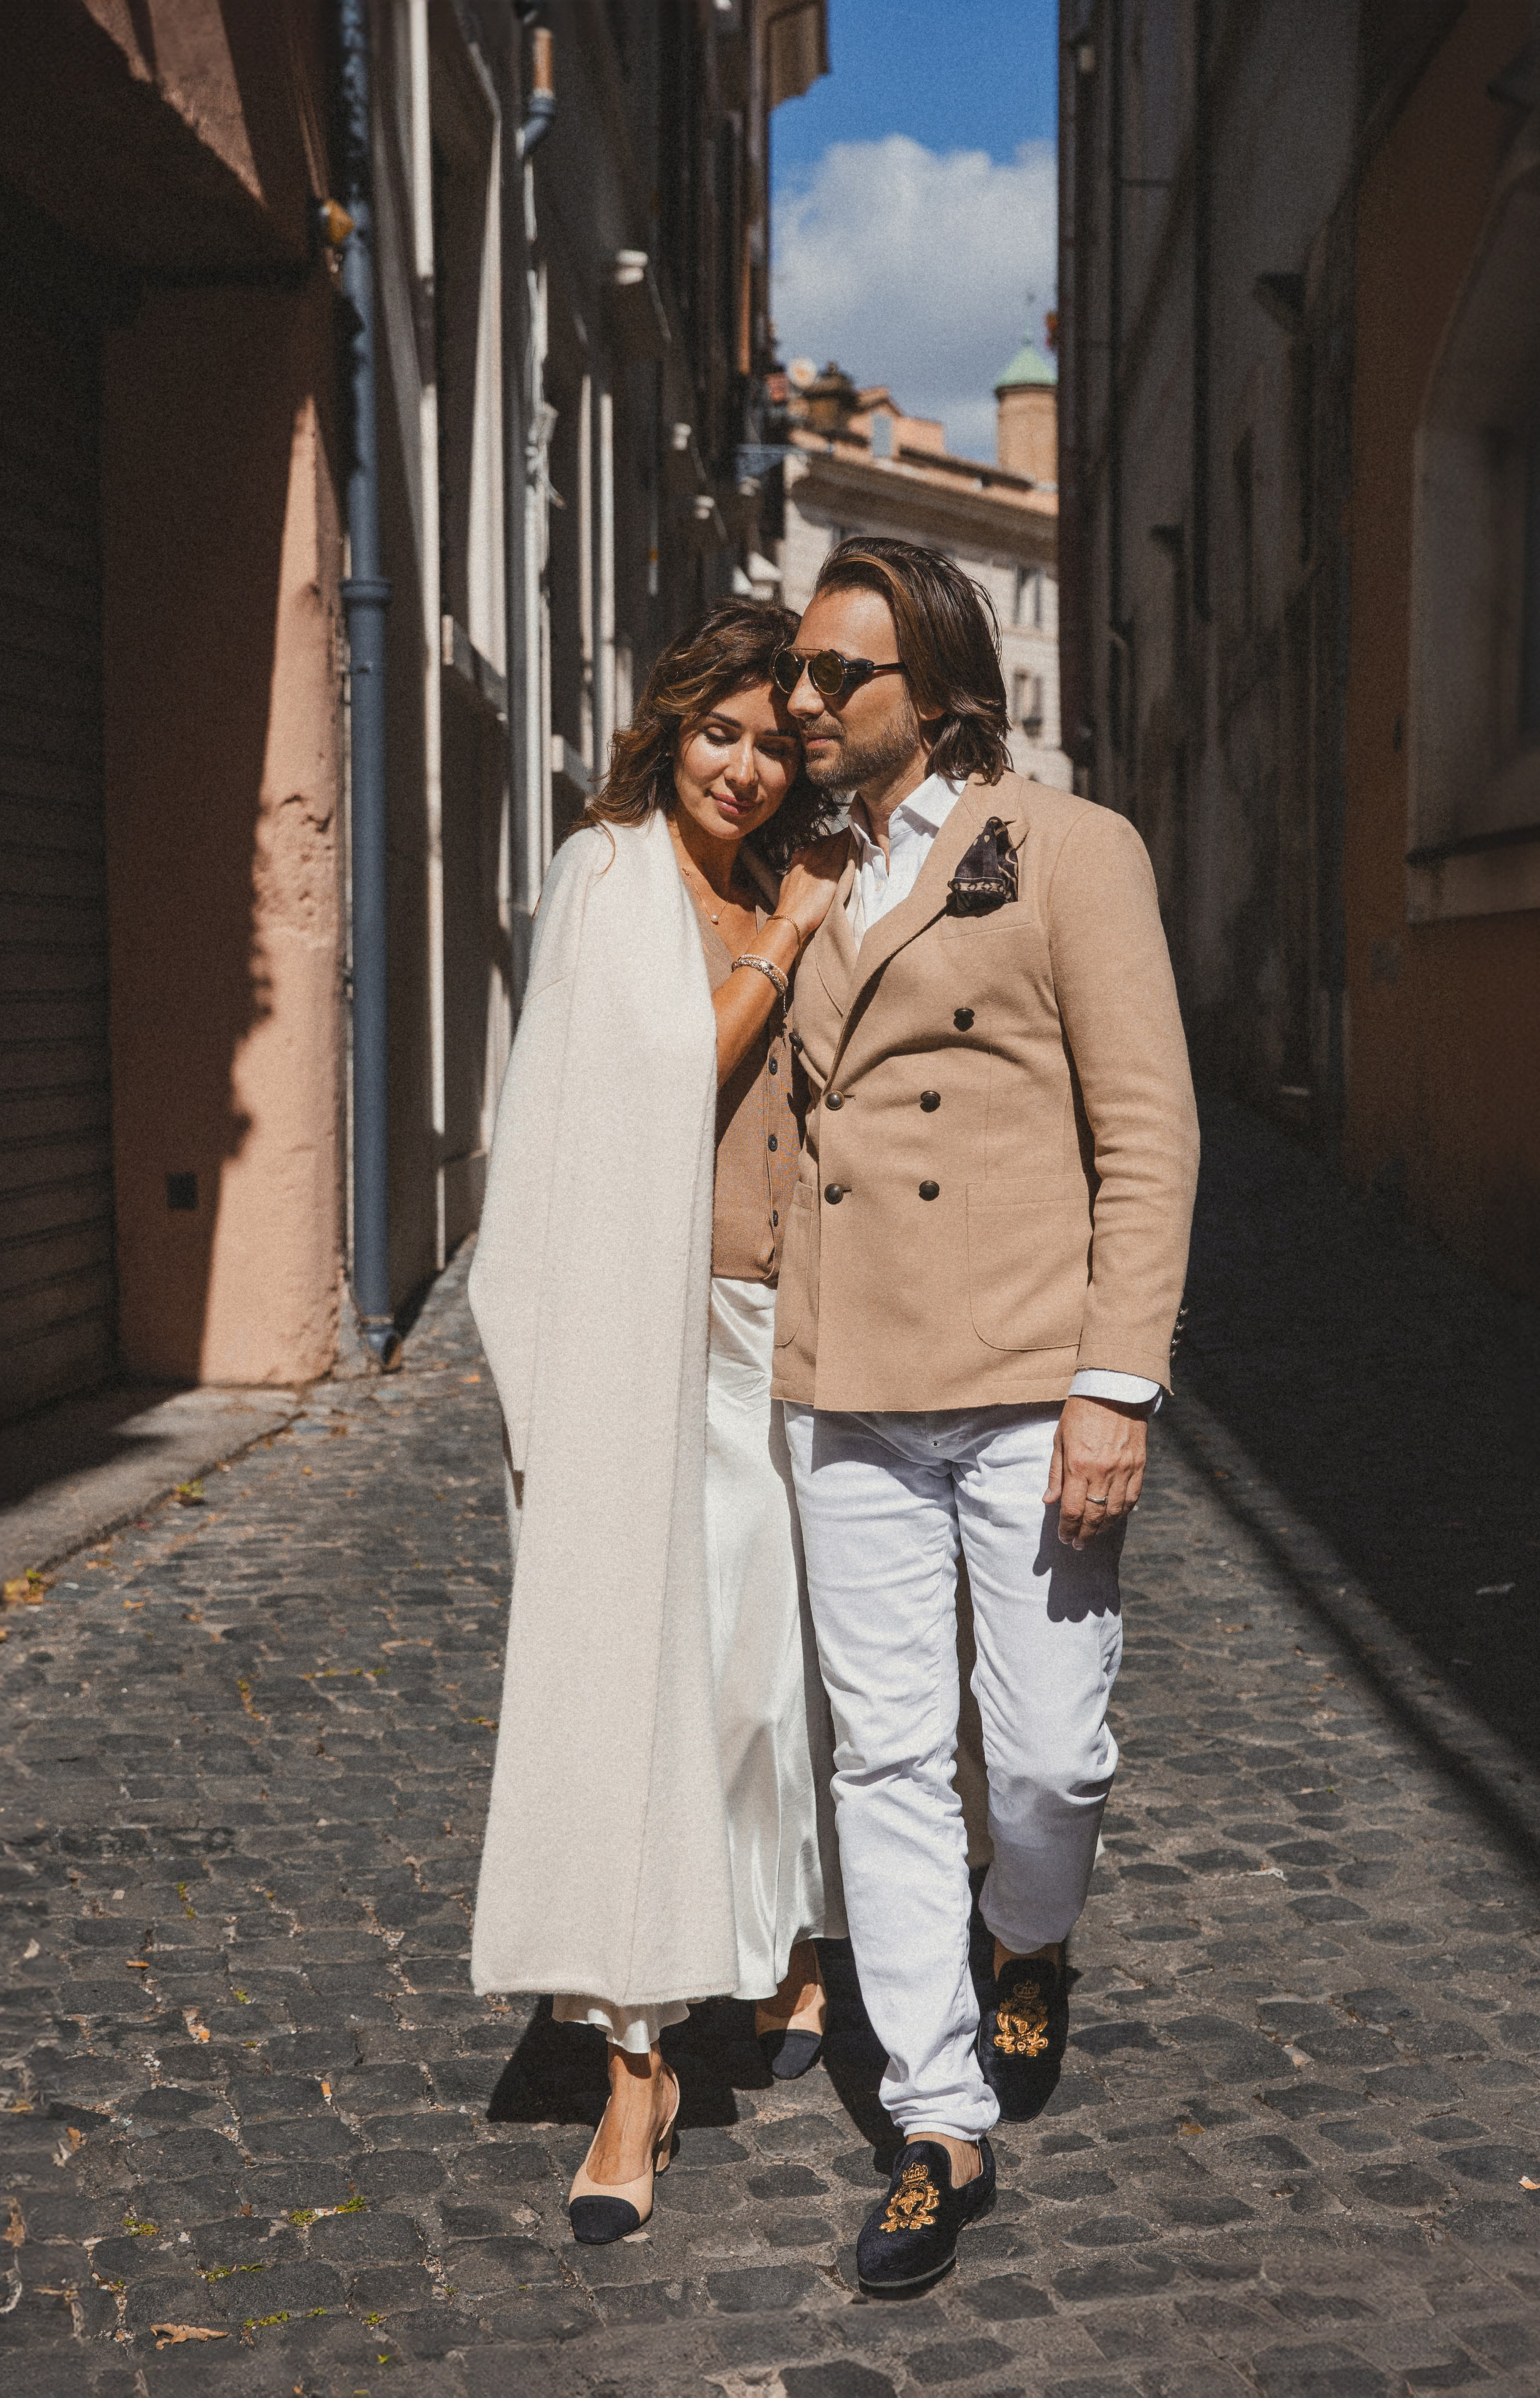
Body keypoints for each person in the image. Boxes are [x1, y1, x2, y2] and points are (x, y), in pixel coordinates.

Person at [771, 537, 1198, 2292]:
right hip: (849, 1377)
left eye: (835, 678)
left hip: (1032, 1379)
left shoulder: (1072, 852)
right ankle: (938, 2122)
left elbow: (1151, 1130)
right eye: (796, 674)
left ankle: (1031, 1940)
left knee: (1042, 1759)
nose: (799, 703)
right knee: (881, 1755)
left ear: (934, 691)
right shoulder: (809, 877)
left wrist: (1119, 1382)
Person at [467, 600, 849, 2249]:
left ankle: (771, 1942)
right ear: (669, 726)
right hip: (643, 1337)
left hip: (777, 1327)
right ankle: (636, 2062)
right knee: (652, 1681)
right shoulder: (610, 875)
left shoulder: (784, 877)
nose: (748, 769)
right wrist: (784, 942)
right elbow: (642, 1089)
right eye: (722, 733)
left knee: (768, 1666)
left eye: (775, 743)